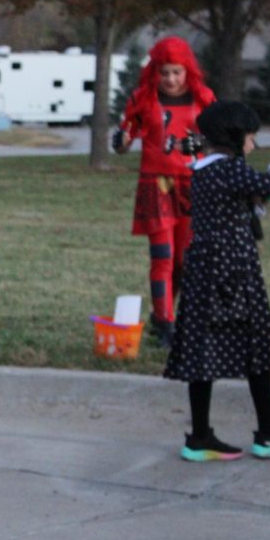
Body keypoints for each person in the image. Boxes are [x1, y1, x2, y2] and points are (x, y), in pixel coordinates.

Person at [163, 100, 270, 461]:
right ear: (235, 137)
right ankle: (268, 433)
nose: (254, 144)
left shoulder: (204, 169)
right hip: (236, 273)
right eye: (251, 137)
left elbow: (242, 202)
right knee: (258, 350)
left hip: (204, 273)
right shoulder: (229, 169)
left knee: (202, 351)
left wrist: (256, 203)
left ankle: (200, 436)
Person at [114, 36, 216, 347]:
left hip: (192, 185)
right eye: (165, 72)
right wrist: (121, 140)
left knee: (186, 260)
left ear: (188, 71)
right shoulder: (143, 99)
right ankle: (167, 325)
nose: (170, 79)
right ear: (155, 72)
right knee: (163, 256)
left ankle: (166, 317)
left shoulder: (204, 98)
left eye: (177, 72)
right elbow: (124, 136)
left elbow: (217, 139)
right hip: (156, 185)